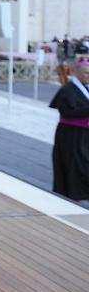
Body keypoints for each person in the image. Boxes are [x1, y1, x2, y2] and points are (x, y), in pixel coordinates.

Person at [49, 59, 89, 204]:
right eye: (85, 73)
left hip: (84, 135)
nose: (88, 75)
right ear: (76, 73)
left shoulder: (86, 88)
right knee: (73, 164)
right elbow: (67, 113)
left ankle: (80, 193)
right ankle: (71, 195)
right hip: (70, 135)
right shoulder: (67, 90)